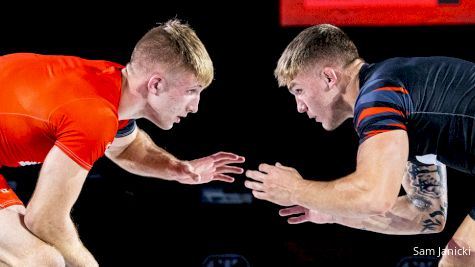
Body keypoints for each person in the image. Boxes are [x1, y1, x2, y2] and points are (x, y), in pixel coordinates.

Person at [0, 19, 245, 266]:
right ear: (156, 84)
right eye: (192, 91)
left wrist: (176, 169)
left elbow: (126, 146)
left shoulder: (112, 85)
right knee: (43, 261)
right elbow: (43, 218)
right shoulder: (94, 116)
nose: (195, 107)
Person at [244, 23, 475, 267]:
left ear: (329, 77)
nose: (299, 106)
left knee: (459, 258)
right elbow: (426, 214)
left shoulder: (379, 97)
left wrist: (294, 189)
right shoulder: (396, 94)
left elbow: (374, 196)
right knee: (461, 257)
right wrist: (333, 211)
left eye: (298, 90)